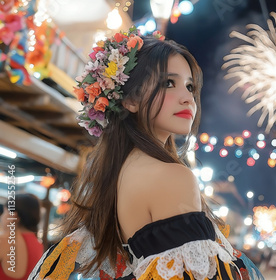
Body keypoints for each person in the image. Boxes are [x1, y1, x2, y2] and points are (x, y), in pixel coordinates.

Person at [28, 27, 263, 280]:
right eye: (168, 83)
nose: (187, 98)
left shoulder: (123, 171)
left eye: (190, 86)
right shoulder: (172, 176)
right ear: (130, 100)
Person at [0, 193, 44, 280]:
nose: (1, 216)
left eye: (4, 212)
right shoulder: (38, 244)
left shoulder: (5, 240)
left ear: (13, 215)